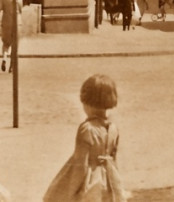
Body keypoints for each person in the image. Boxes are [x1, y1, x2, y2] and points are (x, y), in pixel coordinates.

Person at [44, 74, 126, 202]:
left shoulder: (87, 129)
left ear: (86, 102)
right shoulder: (113, 128)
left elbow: (80, 165)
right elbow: (114, 161)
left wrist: (71, 192)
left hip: (91, 184)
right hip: (109, 181)